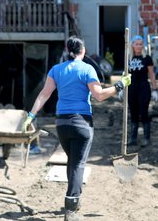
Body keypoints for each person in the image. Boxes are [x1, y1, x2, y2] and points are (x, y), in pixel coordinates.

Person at [24, 36, 131, 221]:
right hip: (82, 123)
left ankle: (74, 199)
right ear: (83, 51)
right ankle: (71, 208)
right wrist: (119, 85)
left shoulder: (56, 70)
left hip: (62, 124)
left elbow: (44, 94)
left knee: (72, 162)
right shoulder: (87, 69)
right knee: (78, 164)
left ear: (67, 51)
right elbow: (99, 95)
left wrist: (31, 115)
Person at [126, 35, 158, 147]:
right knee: (133, 112)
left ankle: (146, 138)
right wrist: (121, 88)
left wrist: (155, 89)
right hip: (131, 88)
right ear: (132, 45)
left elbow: (152, 75)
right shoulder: (128, 58)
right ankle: (133, 138)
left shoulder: (147, 58)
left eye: (140, 44)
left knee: (144, 112)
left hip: (143, 87)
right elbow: (125, 74)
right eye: (137, 44)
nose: (139, 46)